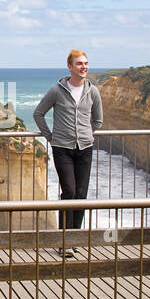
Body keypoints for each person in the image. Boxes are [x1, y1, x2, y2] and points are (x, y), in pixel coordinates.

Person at [34, 49, 103, 258]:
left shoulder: (93, 92)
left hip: (85, 150)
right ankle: (63, 241)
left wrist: (86, 134)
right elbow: (38, 113)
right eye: (80, 64)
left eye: (86, 63)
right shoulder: (57, 90)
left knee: (81, 195)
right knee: (70, 193)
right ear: (70, 67)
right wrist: (51, 137)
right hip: (62, 149)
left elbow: (98, 120)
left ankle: (74, 239)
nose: (84, 67)